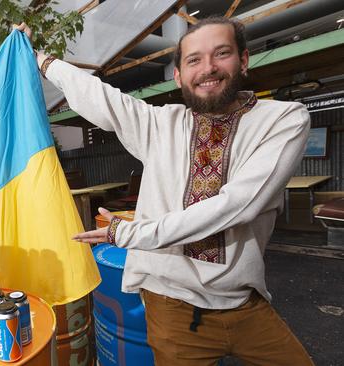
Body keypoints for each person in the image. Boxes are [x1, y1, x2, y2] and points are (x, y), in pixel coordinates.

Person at [17, 17, 314, 365]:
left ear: (243, 60)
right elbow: (100, 97)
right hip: (173, 307)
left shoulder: (283, 119)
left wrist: (130, 233)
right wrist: (37, 57)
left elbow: (238, 205)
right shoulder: (161, 124)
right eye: (194, 60)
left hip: (242, 303)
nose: (208, 68)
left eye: (221, 54)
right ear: (178, 76)